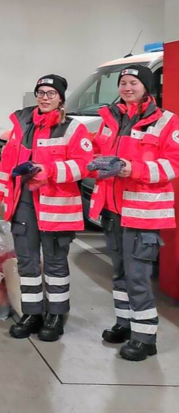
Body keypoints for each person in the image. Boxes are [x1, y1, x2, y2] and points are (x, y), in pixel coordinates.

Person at [0, 75, 92, 342]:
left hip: (58, 206)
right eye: (40, 92)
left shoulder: (73, 129)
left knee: (56, 264)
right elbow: (6, 164)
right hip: (24, 203)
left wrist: (49, 171)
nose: (45, 97)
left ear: (61, 98)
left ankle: (56, 315)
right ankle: (32, 313)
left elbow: (84, 164)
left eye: (51, 93)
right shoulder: (22, 125)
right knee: (27, 262)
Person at [88, 65, 179, 361]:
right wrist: (95, 162)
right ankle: (125, 323)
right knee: (120, 274)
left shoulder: (167, 122)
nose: (127, 88)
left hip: (142, 213)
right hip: (112, 210)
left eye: (133, 83)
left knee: (138, 276)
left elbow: (173, 166)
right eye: (123, 83)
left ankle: (145, 337)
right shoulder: (110, 118)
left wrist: (131, 168)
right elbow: (99, 151)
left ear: (147, 87)